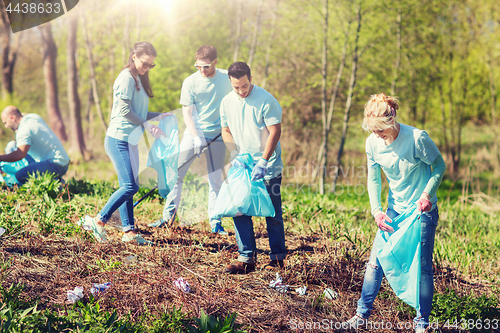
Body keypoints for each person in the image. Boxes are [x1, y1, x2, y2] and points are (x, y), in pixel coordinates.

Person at [345, 93, 446, 333]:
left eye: (380, 130)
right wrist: (377, 211)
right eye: (372, 131)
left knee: (422, 268)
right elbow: (373, 179)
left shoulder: (417, 138)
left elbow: (439, 166)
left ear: (391, 121)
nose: (376, 136)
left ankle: (422, 323)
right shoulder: (372, 142)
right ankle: (361, 316)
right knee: (375, 262)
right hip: (393, 211)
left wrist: (426, 195)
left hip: (422, 212)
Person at [86, 41, 169, 245]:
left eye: (151, 65)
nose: (147, 67)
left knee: (130, 185)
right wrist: (149, 127)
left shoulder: (139, 80)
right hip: (118, 139)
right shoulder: (126, 78)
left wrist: (160, 116)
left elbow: (138, 113)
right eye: (145, 63)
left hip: (130, 140)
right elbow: (124, 111)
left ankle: (129, 232)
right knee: (130, 186)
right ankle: (99, 221)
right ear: (134, 57)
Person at [150, 45, 232, 234]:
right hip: (193, 134)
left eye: (206, 66)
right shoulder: (190, 82)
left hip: (218, 136)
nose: (202, 70)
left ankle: (215, 222)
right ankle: (167, 218)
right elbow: (187, 114)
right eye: (198, 66)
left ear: (215, 62)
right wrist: (196, 138)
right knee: (176, 174)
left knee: (215, 180)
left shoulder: (227, 78)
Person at [220, 61, 286, 274]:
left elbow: (275, 131)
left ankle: (277, 258)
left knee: (272, 212)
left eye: (244, 86)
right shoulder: (227, 102)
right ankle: (246, 257)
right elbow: (226, 130)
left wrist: (264, 160)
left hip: (268, 167)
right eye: (236, 87)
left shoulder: (266, 100)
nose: (241, 91)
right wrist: (234, 154)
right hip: (243, 165)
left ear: (251, 79)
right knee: (239, 209)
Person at [0, 106, 70, 184]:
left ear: (12, 118)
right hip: (63, 160)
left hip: (56, 164)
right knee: (13, 146)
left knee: (21, 175)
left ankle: (56, 182)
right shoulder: (32, 117)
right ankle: (53, 178)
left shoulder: (24, 130)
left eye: (5, 122)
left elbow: (20, 154)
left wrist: (0, 158)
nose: (6, 127)